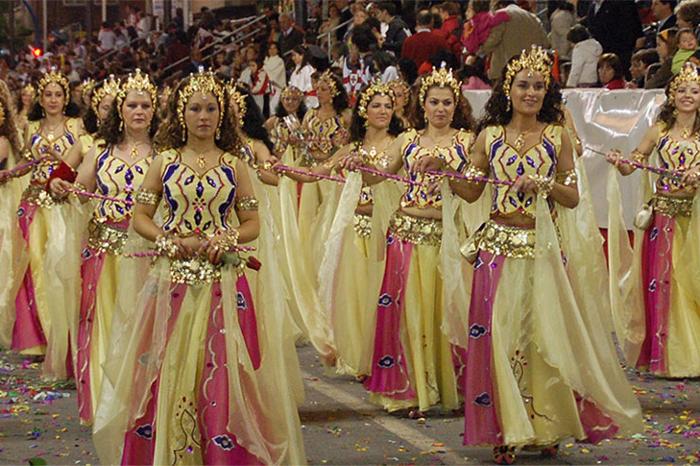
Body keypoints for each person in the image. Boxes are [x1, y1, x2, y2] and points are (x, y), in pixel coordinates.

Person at [91, 70, 306, 466]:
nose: (203, 116)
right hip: (171, 281)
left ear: (221, 114)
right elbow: (141, 215)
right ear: (181, 113)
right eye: (194, 108)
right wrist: (166, 240)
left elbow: (252, 224)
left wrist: (226, 238)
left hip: (223, 283)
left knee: (224, 371)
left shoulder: (234, 166)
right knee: (166, 367)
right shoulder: (164, 162)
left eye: (210, 108)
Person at [452, 46, 643, 464]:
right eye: (524, 84)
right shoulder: (488, 137)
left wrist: (543, 184)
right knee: (497, 337)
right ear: (509, 88)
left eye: (540, 86)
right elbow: (471, 189)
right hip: (497, 251)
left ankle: (546, 424)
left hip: (542, 251)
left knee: (544, 338)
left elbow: (573, 197)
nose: (532, 92)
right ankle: (505, 427)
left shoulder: (557, 138)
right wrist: (443, 171)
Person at [341, 66, 475, 416]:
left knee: (444, 312)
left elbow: (475, 190)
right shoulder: (408, 140)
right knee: (409, 314)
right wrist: (359, 166)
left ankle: (444, 388)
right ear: (423, 104)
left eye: (448, 102)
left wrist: (448, 171)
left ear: (456, 104)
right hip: (406, 235)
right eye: (434, 102)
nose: (441, 108)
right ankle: (412, 391)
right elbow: (379, 178)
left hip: (444, 238)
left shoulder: (467, 141)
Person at [47, 69, 158, 425]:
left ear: (154, 111)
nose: (138, 111)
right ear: (120, 111)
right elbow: (79, 192)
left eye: (145, 105)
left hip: (147, 257)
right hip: (104, 255)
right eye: (131, 105)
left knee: (140, 329)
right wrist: (62, 190)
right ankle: (105, 405)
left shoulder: (165, 155)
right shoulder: (99, 152)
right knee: (106, 329)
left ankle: (141, 404)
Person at [606, 62, 700, 379]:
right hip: (664, 218)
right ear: (672, 96)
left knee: (692, 283)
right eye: (682, 90)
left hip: (695, 219)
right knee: (666, 283)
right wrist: (621, 163)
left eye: (695, 91)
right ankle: (672, 357)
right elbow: (635, 162)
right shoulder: (659, 130)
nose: (688, 96)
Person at [3, 70, 86, 380]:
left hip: (63, 206)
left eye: (58, 94)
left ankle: (63, 335)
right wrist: (13, 175)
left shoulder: (76, 127)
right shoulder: (30, 126)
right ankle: (42, 337)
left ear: (66, 99)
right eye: (48, 94)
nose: (53, 100)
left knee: (62, 267)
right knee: (35, 267)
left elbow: (79, 163)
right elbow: (25, 161)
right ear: (40, 98)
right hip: (35, 203)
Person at [480, 1, 549, 81]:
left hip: (505, 71)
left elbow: (492, 42)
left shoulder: (501, 15)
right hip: (530, 71)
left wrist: (479, 49)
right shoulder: (533, 17)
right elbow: (545, 43)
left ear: (499, 5)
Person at [584, 0, 644, 77]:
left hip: (621, 53)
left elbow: (633, 24)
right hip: (601, 54)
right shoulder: (592, 6)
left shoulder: (623, 2)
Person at [263, 43, 287, 117]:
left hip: (278, 87)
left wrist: (267, 73)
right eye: (270, 48)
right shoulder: (266, 61)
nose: (272, 50)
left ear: (277, 50)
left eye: (274, 48)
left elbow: (275, 75)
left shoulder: (280, 61)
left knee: (274, 106)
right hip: (268, 87)